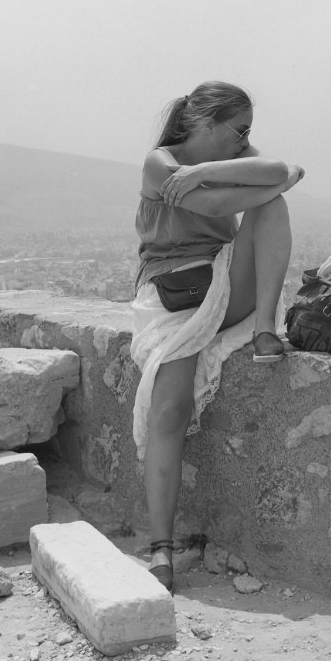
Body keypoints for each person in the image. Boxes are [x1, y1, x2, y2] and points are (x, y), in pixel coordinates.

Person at [130, 81, 305, 593]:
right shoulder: (157, 163)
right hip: (174, 300)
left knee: (271, 206)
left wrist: (205, 172)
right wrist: (272, 179)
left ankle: (266, 330)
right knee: (170, 408)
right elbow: (255, 188)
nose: (246, 140)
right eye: (239, 130)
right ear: (204, 122)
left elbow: (274, 173)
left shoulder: (221, 158)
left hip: (224, 285)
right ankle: (160, 547)